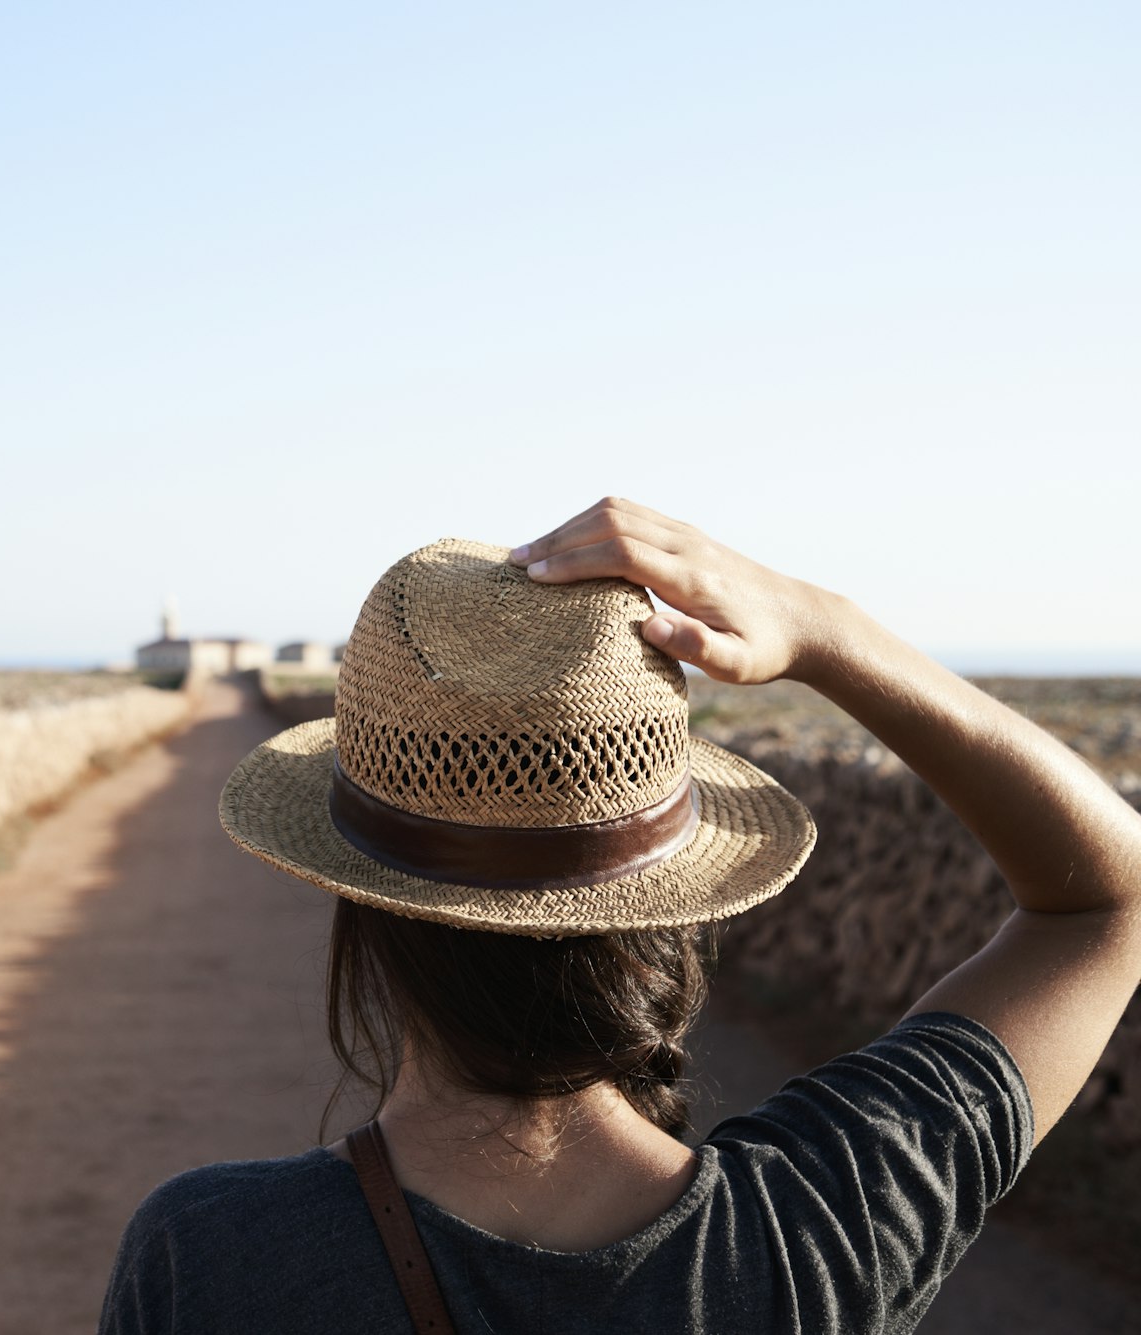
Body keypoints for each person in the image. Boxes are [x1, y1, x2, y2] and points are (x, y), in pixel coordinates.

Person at [97, 498, 1141, 1335]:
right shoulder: (822, 1231)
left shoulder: (210, 1258)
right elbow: (1110, 898)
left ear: (363, 909)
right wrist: (824, 629)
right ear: (676, 909)